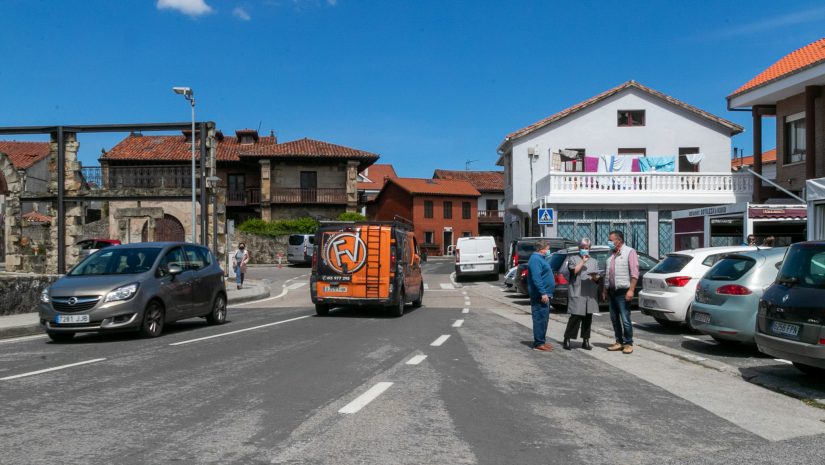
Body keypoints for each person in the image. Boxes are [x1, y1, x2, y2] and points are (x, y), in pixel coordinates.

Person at [602, 230, 639, 354]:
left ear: (619, 240)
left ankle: (628, 343)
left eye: (611, 240)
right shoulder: (610, 253)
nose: (609, 242)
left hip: (623, 291)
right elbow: (607, 273)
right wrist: (605, 289)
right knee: (614, 318)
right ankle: (619, 342)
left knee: (625, 318)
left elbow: (634, 273)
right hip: (612, 290)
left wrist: (631, 290)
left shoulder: (630, 252)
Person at [563, 238, 599, 350]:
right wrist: (583, 261)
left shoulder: (594, 261)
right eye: (582, 248)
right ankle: (567, 339)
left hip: (589, 292)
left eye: (586, 248)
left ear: (590, 248)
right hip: (577, 291)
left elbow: (597, 278)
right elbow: (574, 271)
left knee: (588, 318)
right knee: (575, 316)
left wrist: (595, 277)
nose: (584, 250)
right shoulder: (573, 258)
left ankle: (586, 340)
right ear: (579, 248)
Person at [527, 240, 556, 352]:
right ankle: (539, 343)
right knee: (539, 318)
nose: (549, 250)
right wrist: (543, 292)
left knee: (544, 319)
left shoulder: (540, 259)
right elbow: (536, 278)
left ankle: (541, 341)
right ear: (541, 249)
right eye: (547, 248)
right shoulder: (535, 259)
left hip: (545, 294)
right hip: (540, 295)